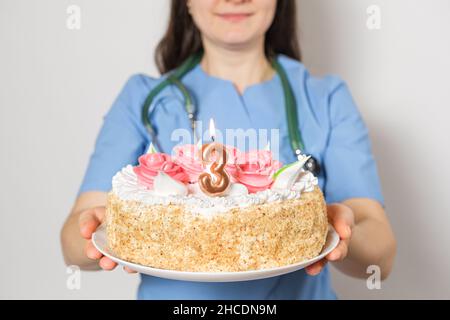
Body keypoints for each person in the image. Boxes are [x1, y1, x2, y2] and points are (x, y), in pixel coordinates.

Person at [61, 0, 396, 299]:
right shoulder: (143, 99)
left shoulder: (326, 98)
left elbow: (381, 257)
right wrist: (103, 230)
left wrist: (341, 229)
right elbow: (72, 240)